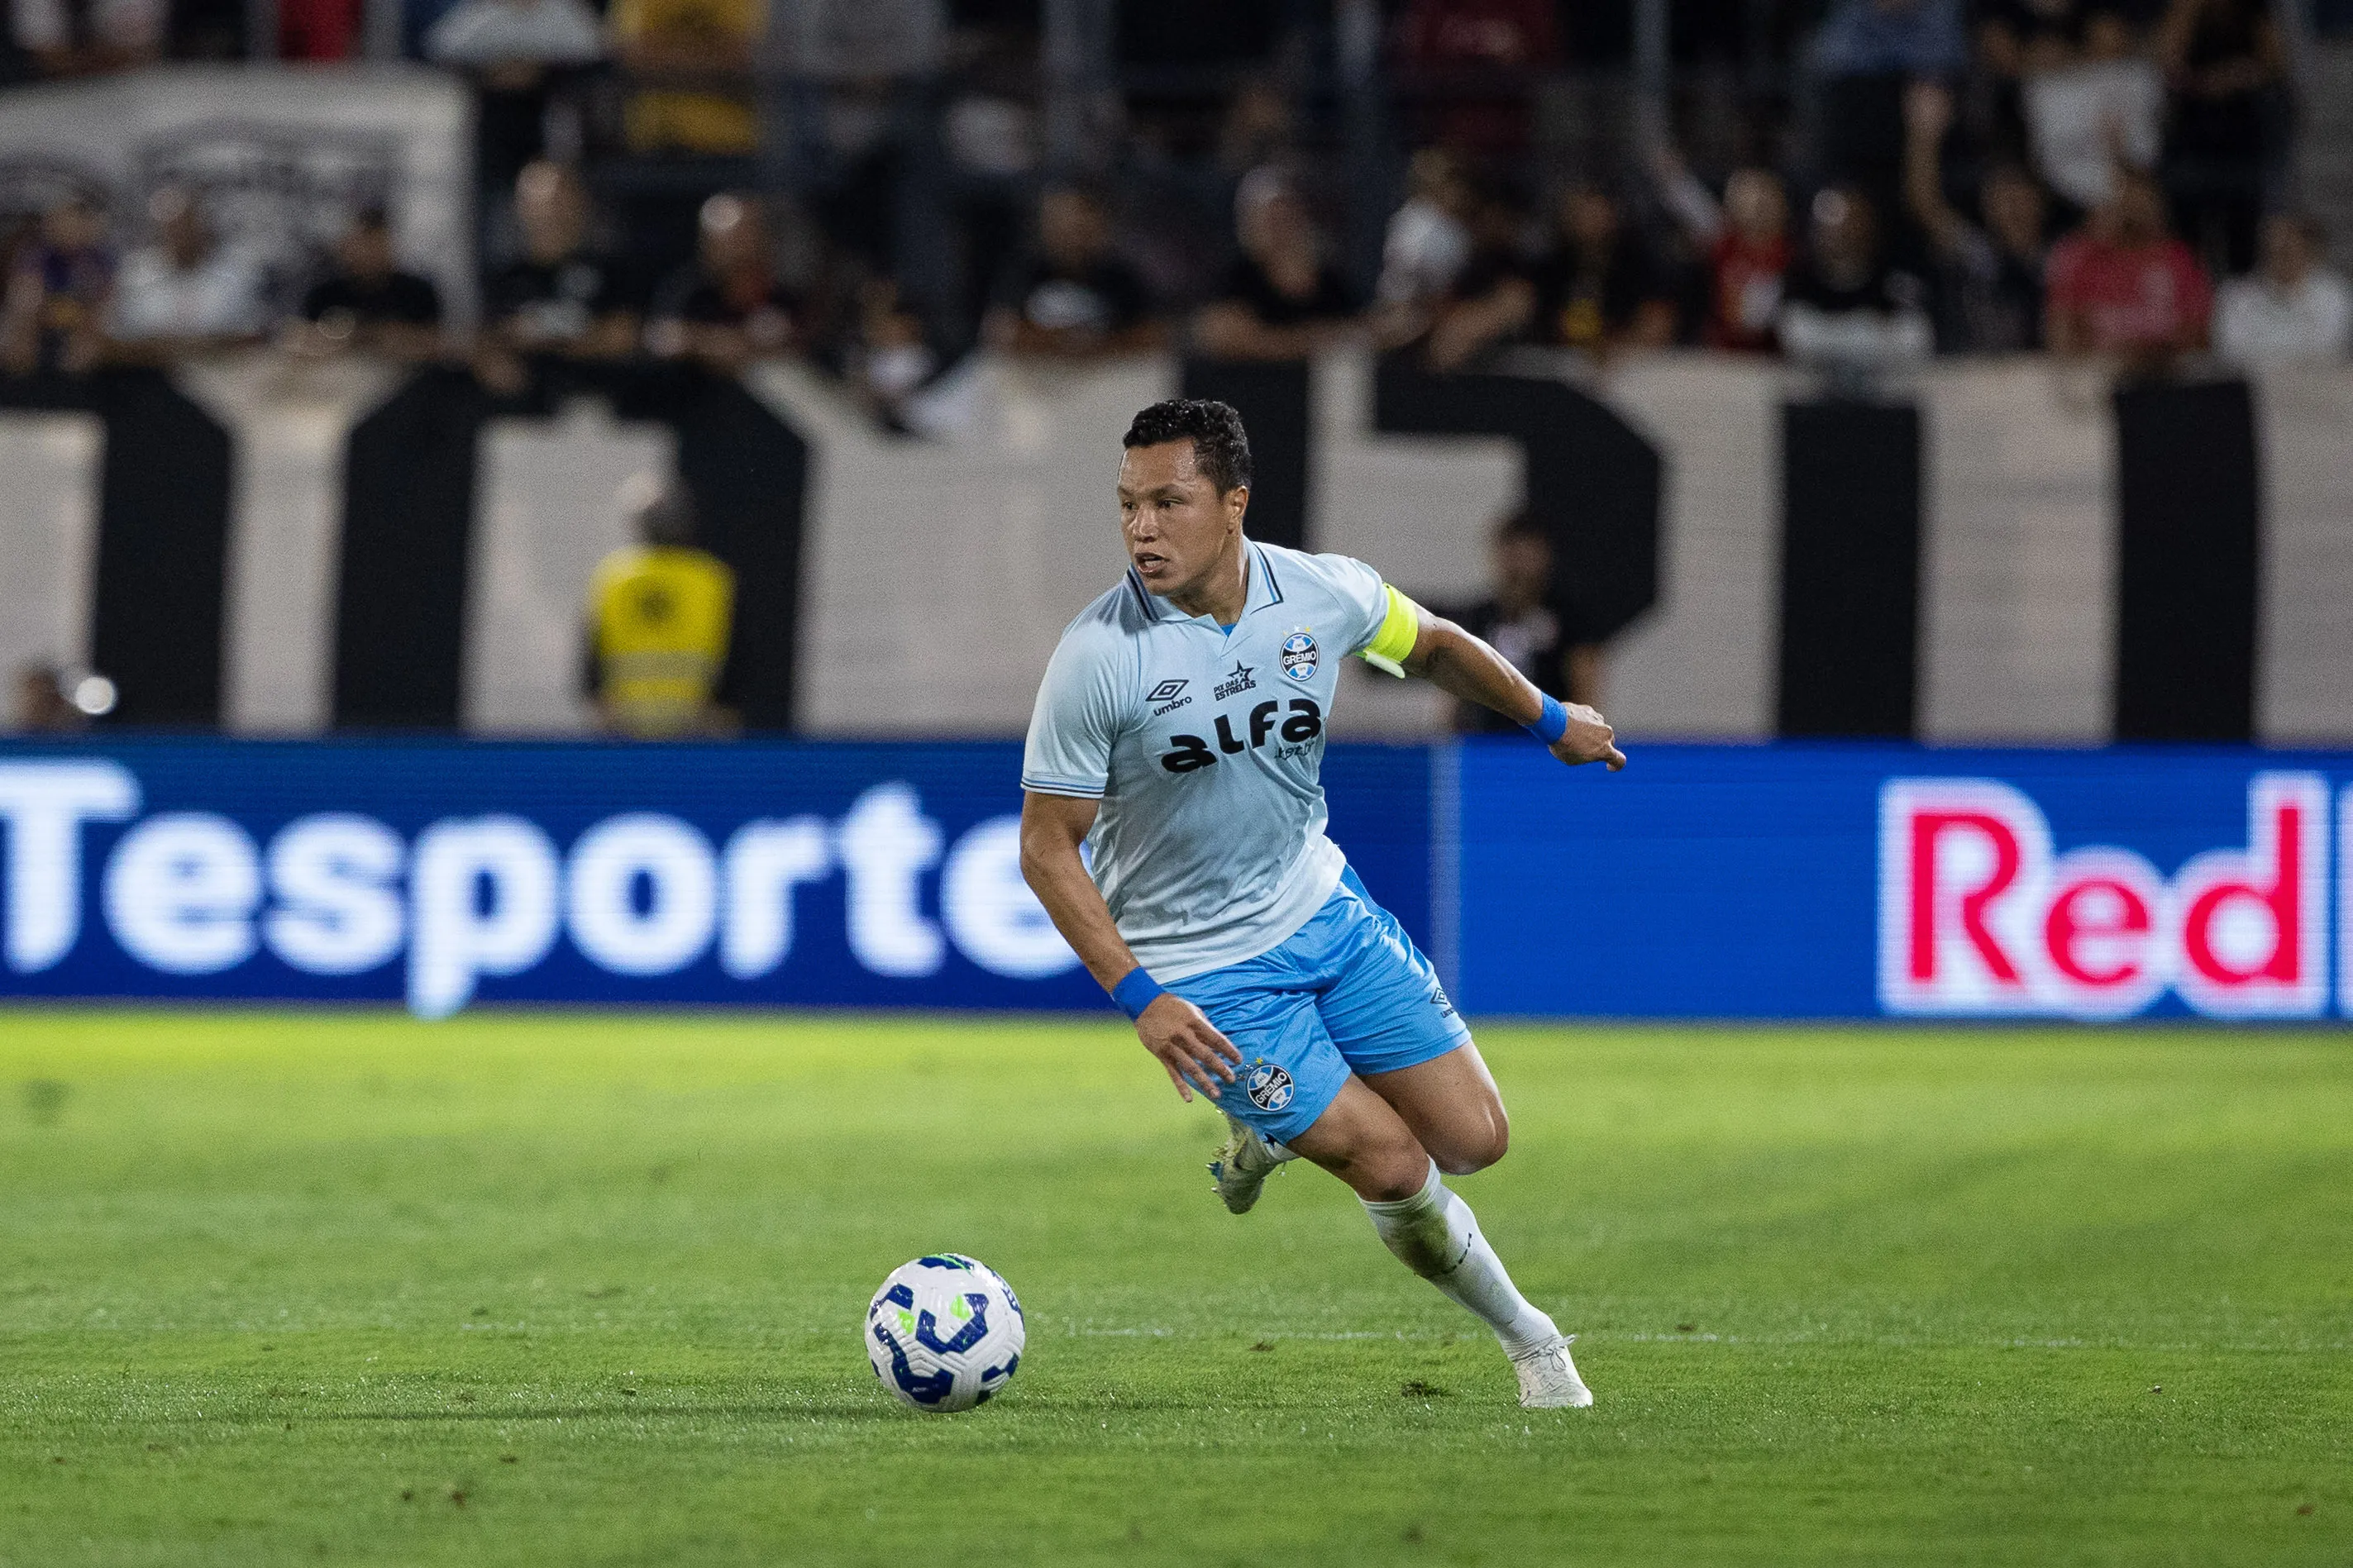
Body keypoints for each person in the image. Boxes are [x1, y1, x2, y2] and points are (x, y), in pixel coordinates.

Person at [1018, 399, 1625, 1410]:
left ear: (1234, 504)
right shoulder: (1099, 655)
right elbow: (1047, 849)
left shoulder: (1319, 593)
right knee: (1391, 1161)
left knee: (1475, 1139)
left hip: (1321, 911)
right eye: (1127, 505)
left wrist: (1549, 716)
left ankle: (1265, 1129)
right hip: (1203, 975)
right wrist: (1142, 997)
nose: (1141, 528)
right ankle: (1532, 1344)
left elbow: (1430, 642)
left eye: (1168, 502)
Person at [584, 474, 735, 738]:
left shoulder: (614, 576)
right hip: (696, 725)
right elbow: (736, 659)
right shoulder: (711, 578)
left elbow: (592, 663)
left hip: (625, 725)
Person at [1903, 81, 2050, 351]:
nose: (2011, 208)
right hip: (1979, 375)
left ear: (2038, 201)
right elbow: (1926, 206)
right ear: (1987, 208)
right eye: (2001, 200)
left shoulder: (2060, 257)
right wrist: (1924, 137)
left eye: (2018, 197)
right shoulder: (1981, 254)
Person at [1438, 512, 1596, 730]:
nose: (1518, 566)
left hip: (1544, 746)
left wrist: (1580, 735)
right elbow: (1455, 686)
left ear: (1544, 556)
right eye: (1511, 553)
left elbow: (1584, 685)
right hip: (1486, 744)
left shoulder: (1568, 619)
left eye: (1526, 555)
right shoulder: (1479, 617)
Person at [2044, 166, 2211, 369]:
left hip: (2169, 375)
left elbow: (2200, 337)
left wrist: (2153, 353)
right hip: (2099, 377)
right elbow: (2062, 339)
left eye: (2142, 198)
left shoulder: (2179, 259)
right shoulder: (2079, 258)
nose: (2133, 208)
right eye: (2125, 197)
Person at [1190, 169, 1361, 362]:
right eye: (1271, 219)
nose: (1281, 229)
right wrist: (1312, 340)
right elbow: (1225, 338)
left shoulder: (1329, 281)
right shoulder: (1234, 278)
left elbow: (1359, 331)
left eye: (1287, 216)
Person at [484, 161, 639, 361]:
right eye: (540, 203)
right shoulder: (505, 280)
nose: (552, 214)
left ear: (581, 204)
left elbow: (623, 337)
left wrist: (542, 336)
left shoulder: (612, 272)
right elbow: (489, 342)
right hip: (532, 389)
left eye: (561, 202)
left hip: (595, 385)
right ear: (521, 208)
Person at [983, 184, 1160, 360]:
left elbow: (1152, 335)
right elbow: (1000, 332)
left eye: (1082, 227)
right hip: (1034, 376)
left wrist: (1096, 342)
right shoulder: (1024, 271)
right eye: (1064, 225)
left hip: (1103, 375)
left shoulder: (1121, 277)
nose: (1073, 238)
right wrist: (1062, 340)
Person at [1777, 188, 1935, 373]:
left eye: (1853, 224)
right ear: (1815, 230)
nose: (1843, 233)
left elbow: (1916, 340)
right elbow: (1794, 339)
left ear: (1871, 228)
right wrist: (1868, 330)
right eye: (1832, 224)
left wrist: (1830, 332)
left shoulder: (1896, 283)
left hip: (1887, 390)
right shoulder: (1798, 282)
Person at [1652, 151, 1792, 353]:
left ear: (1781, 204)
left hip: (1770, 354)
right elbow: (1693, 207)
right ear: (1734, 203)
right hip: (1722, 351)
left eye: (1765, 198)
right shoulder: (1725, 242)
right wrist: (1673, 176)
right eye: (1749, 198)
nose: (1758, 206)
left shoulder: (1791, 254)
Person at [646, 192, 801, 370]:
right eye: (715, 241)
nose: (730, 251)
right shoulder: (689, 291)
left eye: (740, 238)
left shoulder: (782, 290)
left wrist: (698, 339)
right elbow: (664, 338)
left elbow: (792, 344)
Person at [107, 186, 270, 354]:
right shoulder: (136, 277)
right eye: (171, 227)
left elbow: (255, 335)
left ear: (200, 225)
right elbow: (118, 338)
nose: (179, 234)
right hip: (151, 372)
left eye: (185, 225)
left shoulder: (237, 276)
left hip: (226, 369)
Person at [1524, 182, 1676, 360]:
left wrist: (1614, 350)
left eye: (1594, 211)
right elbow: (1535, 314)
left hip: (1625, 366)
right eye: (1579, 211)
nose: (1587, 219)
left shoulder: (1639, 262)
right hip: (1559, 364)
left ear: (1612, 214)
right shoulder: (1553, 264)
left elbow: (1658, 322)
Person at [609, 0, 763, 155]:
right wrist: (711, 58)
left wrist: (665, 57)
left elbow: (747, 59)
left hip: (731, 146)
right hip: (653, 146)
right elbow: (631, 57)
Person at [293, 207, 444, 360]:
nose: (369, 254)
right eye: (363, 245)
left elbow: (436, 344)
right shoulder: (324, 294)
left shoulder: (418, 292)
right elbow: (303, 341)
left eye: (377, 244)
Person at [2214, 214, 2351, 365]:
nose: (2282, 257)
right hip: (2256, 384)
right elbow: (2230, 351)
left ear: (2307, 250)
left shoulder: (2334, 294)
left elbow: (2329, 347)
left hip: (2318, 384)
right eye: (2275, 249)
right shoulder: (2236, 297)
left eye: (2288, 249)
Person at [2, 194, 112, 378]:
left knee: (90, 339)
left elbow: (104, 301)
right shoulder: (37, 255)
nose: (65, 229)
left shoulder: (99, 258)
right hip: (43, 322)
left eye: (72, 223)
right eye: (59, 222)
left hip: (81, 324)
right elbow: (24, 298)